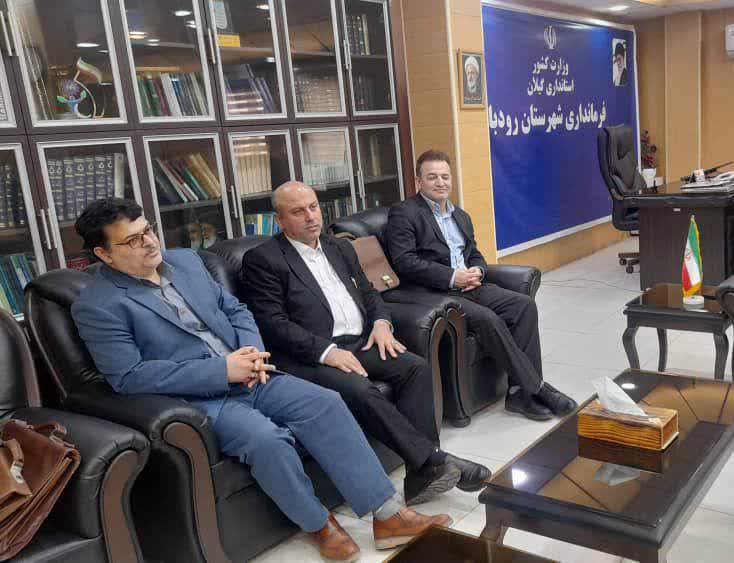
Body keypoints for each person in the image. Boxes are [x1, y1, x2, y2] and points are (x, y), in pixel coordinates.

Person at [71, 199, 451, 562]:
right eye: (132, 240)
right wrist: (222, 371)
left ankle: (388, 516)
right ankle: (318, 525)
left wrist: (252, 352)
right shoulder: (97, 306)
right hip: (199, 400)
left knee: (326, 403)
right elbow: (129, 377)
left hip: (253, 372)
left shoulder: (184, 261)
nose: (149, 242)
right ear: (104, 254)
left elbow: (235, 309)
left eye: (148, 230)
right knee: (267, 440)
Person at [241, 182, 491, 505]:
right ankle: (433, 460)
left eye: (313, 207)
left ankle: (420, 475)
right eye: (298, 212)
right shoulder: (263, 260)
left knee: (415, 368)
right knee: (360, 388)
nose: (311, 217)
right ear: (280, 220)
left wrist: (382, 323)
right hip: (310, 356)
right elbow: (272, 324)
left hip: (359, 342)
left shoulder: (339, 247)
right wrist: (327, 353)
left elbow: (369, 292)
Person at [384, 149, 577, 421]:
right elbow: (405, 261)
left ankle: (518, 394)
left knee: (523, 306)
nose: (440, 182)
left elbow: (474, 254)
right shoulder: (404, 213)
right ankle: (538, 388)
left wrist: (478, 270)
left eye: (445, 176)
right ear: (418, 181)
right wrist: (453, 276)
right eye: (432, 177)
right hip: (435, 294)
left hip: (471, 287)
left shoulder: (461, 215)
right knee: (488, 319)